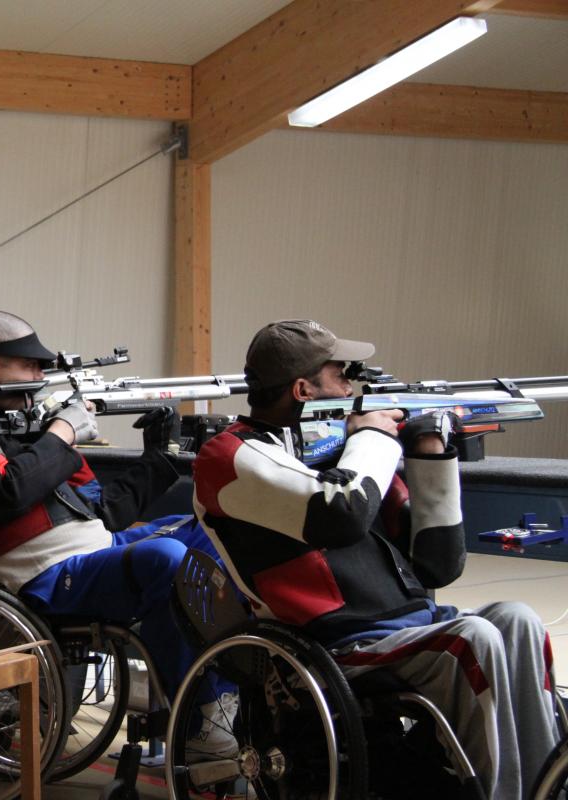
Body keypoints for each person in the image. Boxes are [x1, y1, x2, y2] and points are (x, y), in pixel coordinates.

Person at [191, 318, 559, 799]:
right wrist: (375, 438)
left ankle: (545, 786)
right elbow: (340, 514)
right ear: (304, 389)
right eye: (342, 374)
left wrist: (430, 453)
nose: (353, 385)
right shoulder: (230, 455)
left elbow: (438, 564)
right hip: (334, 644)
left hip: (405, 627)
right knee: (472, 638)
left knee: (518, 621)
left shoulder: (343, 455)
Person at [0, 310, 231, 754]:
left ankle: (217, 700)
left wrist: (159, 460)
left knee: (217, 532)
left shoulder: (28, 423)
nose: (40, 377)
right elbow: (6, 491)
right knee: (166, 560)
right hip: (33, 577)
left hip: (93, 551)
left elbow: (102, 511)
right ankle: (200, 719)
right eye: (31, 366)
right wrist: (64, 430)